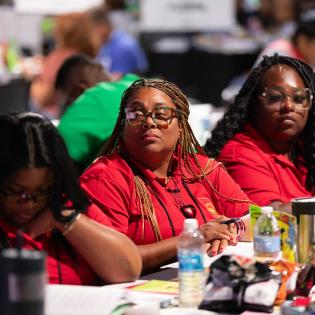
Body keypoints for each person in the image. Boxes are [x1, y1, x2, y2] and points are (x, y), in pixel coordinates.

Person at [80, 78, 252, 273]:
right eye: (136, 114)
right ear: (123, 124)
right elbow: (114, 261)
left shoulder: (203, 169)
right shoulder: (105, 178)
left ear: (181, 126)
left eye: (162, 114)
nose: (149, 122)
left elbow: (259, 222)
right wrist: (194, 239)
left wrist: (229, 230)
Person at [0, 112, 141, 285]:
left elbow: (128, 271)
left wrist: (64, 219)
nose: (30, 203)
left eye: (43, 190)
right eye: (16, 192)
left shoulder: (65, 203)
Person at [205, 54, 315, 213]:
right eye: (275, 97)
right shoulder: (239, 153)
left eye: (299, 98)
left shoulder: (305, 148)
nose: (288, 106)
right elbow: (271, 216)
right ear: (253, 106)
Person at [56, 54, 139, 171]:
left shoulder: (90, 98)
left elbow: (54, 158)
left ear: (78, 92)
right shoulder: (136, 82)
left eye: (66, 105)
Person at [30, 12, 100, 118]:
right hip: (85, 116)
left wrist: (33, 80)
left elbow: (44, 99)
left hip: (58, 119)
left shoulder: (58, 58)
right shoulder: (89, 56)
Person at [89, 6, 148, 79]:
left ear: (102, 26)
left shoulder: (123, 46)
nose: (90, 36)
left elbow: (116, 80)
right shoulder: (106, 43)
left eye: (91, 31)